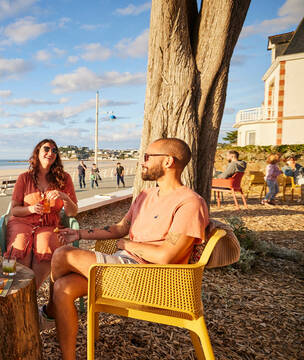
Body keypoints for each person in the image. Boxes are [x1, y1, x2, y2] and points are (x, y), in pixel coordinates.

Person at [42, 138, 209, 360]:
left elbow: (167, 256)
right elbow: (120, 228)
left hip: (148, 277)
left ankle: (49, 313)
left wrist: (129, 244)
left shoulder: (190, 203)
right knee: (63, 287)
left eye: (148, 157)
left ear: (168, 161)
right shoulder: (146, 195)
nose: (143, 162)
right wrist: (79, 234)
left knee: (62, 254)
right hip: (125, 267)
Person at [5, 139, 78, 291]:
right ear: (37, 153)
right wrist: (31, 209)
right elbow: (15, 210)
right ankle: (12, 290)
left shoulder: (64, 179)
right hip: (22, 221)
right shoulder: (24, 178)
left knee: (46, 246)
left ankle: (31, 293)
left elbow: (72, 212)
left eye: (54, 150)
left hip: (49, 225)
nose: (50, 152)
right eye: (46, 149)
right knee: (18, 247)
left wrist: (64, 196)